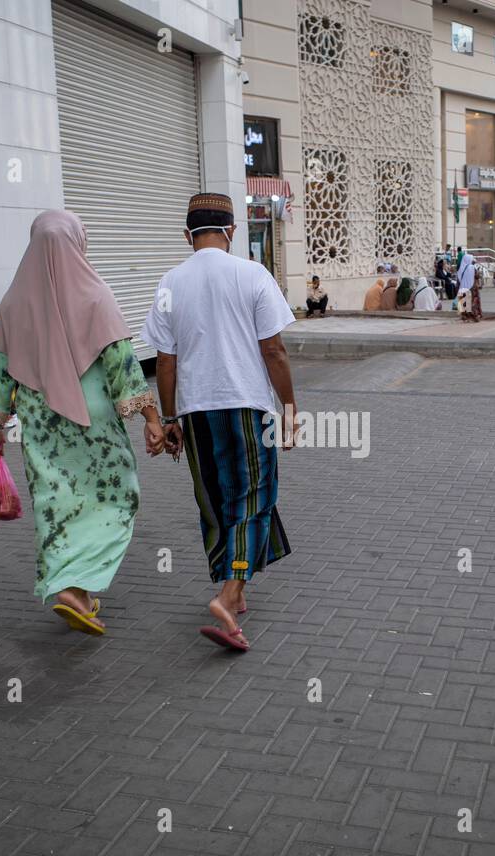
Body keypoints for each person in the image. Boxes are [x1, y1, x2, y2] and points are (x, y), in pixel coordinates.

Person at [0, 210, 165, 636]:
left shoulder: (11, 302)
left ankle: (66, 584)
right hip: (94, 422)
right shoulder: (96, 295)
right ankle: (76, 586)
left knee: (55, 500)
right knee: (116, 498)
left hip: (40, 423)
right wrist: (152, 419)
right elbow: (123, 367)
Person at [144, 192, 296, 653]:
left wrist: (169, 417)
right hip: (247, 404)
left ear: (185, 233)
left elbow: (164, 361)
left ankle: (236, 587)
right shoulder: (252, 273)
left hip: (195, 410)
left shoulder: (170, 281)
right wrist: (289, 407)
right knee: (253, 496)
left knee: (214, 498)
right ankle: (228, 596)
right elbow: (273, 350)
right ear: (232, 231)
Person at [456, 247, 481, 321]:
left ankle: (464, 316)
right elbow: (477, 276)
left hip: (462, 288)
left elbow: (458, 279)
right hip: (472, 287)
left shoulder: (461, 267)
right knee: (473, 301)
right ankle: (474, 316)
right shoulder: (472, 267)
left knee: (464, 301)